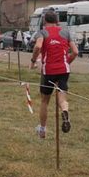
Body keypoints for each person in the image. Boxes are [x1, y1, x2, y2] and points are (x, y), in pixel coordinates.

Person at [30, 10, 78, 139]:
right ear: (57, 21)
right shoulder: (65, 32)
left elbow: (37, 47)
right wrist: (67, 62)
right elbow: (75, 51)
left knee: (45, 101)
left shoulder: (43, 32)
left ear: (45, 21)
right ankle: (65, 111)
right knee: (62, 98)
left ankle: (42, 129)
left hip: (49, 71)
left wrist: (33, 61)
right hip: (64, 70)